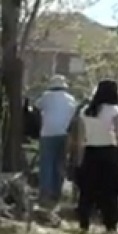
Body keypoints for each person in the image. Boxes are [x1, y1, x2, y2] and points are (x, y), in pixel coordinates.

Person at [74, 80, 118, 234]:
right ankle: (111, 224)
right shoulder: (114, 110)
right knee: (109, 190)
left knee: (87, 190)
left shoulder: (85, 111)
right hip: (108, 151)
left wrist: (79, 159)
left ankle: (84, 223)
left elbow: (80, 138)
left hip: (90, 151)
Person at [35, 74, 77, 203]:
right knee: (60, 163)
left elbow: (36, 106)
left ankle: (46, 191)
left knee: (47, 163)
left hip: (47, 133)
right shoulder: (70, 99)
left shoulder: (46, 97)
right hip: (64, 133)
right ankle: (57, 191)